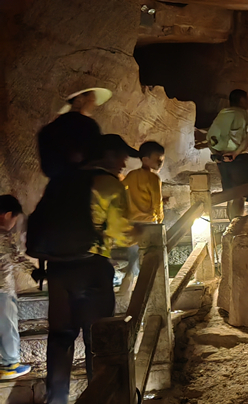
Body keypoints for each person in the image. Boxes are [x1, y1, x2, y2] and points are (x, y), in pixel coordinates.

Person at [28, 134, 139, 404]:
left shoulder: (61, 182)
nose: (124, 162)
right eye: (121, 155)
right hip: (91, 268)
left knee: (60, 339)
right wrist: (138, 234)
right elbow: (121, 233)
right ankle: (101, 398)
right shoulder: (108, 185)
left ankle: (56, 400)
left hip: (57, 270)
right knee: (97, 342)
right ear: (106, 155)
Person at [0, 195, 42, 380]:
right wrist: (36, 273)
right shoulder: (2, 235)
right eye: (15, 219)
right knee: (7, 326)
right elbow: (16, 257)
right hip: (1, 289)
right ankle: (10, 364)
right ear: (7, 215)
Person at [119, 141, 165, 293]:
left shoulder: (132, 175)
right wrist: (160, 220)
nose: (160, 163)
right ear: (145, 159)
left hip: (132, 222)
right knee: (147, 255)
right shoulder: (154, 179)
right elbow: (157, 202)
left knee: (134, 252)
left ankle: (131, 281)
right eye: (158, 160)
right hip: (148, 223)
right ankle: (140, 284)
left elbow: (121, 188)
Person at [37, 87, 112, 179]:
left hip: (55, 188)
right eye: (91, 101)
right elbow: (98, 159)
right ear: (79, 99)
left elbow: (47, 169)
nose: (94, 105)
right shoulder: (89, 127)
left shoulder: (49, 129)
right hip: (78, 186)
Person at [207, 89, 248, 219]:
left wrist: (217, 154)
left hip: (222, 158)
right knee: (239, 195)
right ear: (242, 100)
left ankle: (230, 224)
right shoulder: (246, 114)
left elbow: (211, 137)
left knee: (230, 195)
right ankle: (236, 228)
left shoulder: (222, 114)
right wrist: (235, 153)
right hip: (241, 158)